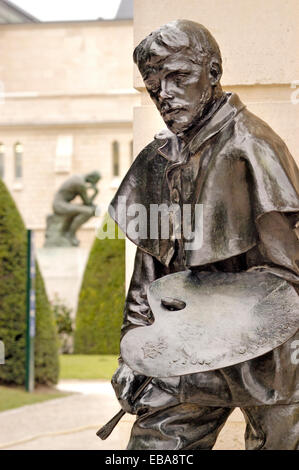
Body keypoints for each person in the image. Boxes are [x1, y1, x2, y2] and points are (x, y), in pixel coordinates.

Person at [109, 20, 299, 450]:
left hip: (270, 359)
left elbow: (288, 276)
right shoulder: (157, 158)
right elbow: (149, 269)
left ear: (212, 73)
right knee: (151, 452)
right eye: (154, 85)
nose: (165, 95)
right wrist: (133, 350)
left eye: (178, 77)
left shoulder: (254, 147)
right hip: (187, 356)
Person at [52, 171, 101, 246]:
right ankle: (70, 234)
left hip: (63, 204)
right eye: (95, 182)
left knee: (88, 210)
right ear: (92, 178)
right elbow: (87, 203)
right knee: (88, 212)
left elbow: (87, 203)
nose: (94, 184)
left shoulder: (78, 177)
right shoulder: (80, 183)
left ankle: (67, 232)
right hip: (59, 205)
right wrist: (95, 192)